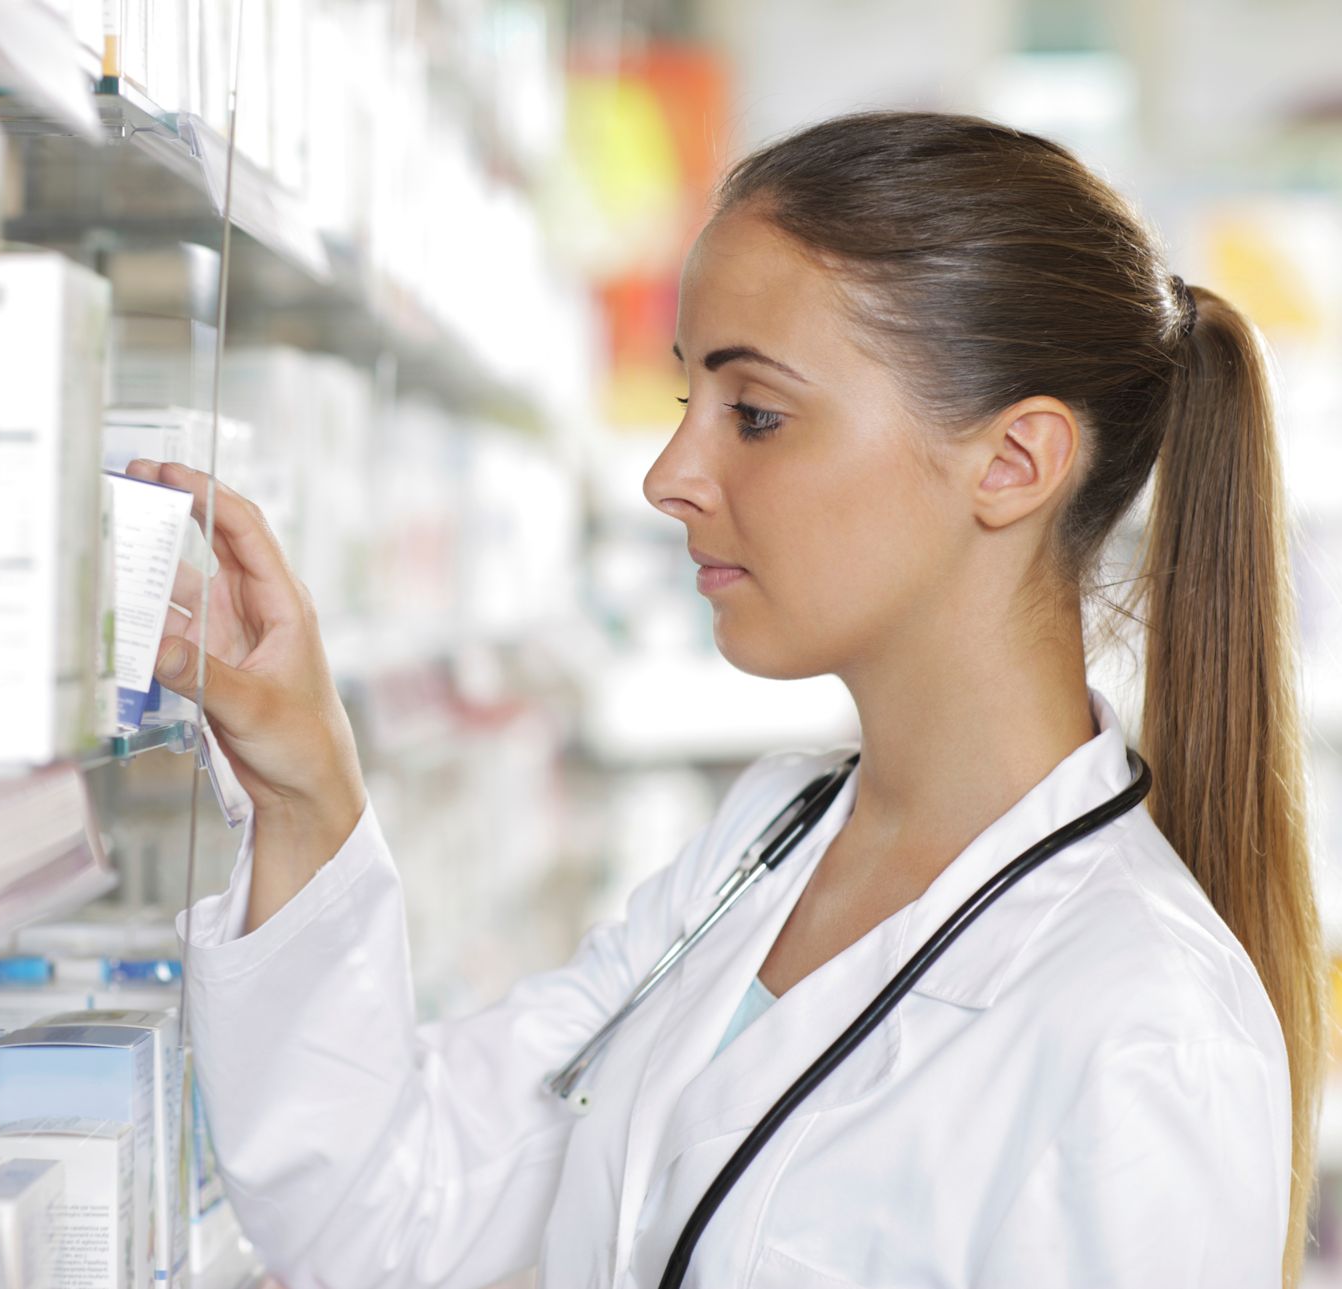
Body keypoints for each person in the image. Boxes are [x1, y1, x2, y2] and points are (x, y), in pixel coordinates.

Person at [123, 109, 1322, 1288]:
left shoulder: (1147, 1028)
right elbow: (383, 1212)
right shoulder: (768, 841)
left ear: (1010, 464)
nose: (667, 474)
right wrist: (304, 777)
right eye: (686, 398)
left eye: (753, 414)